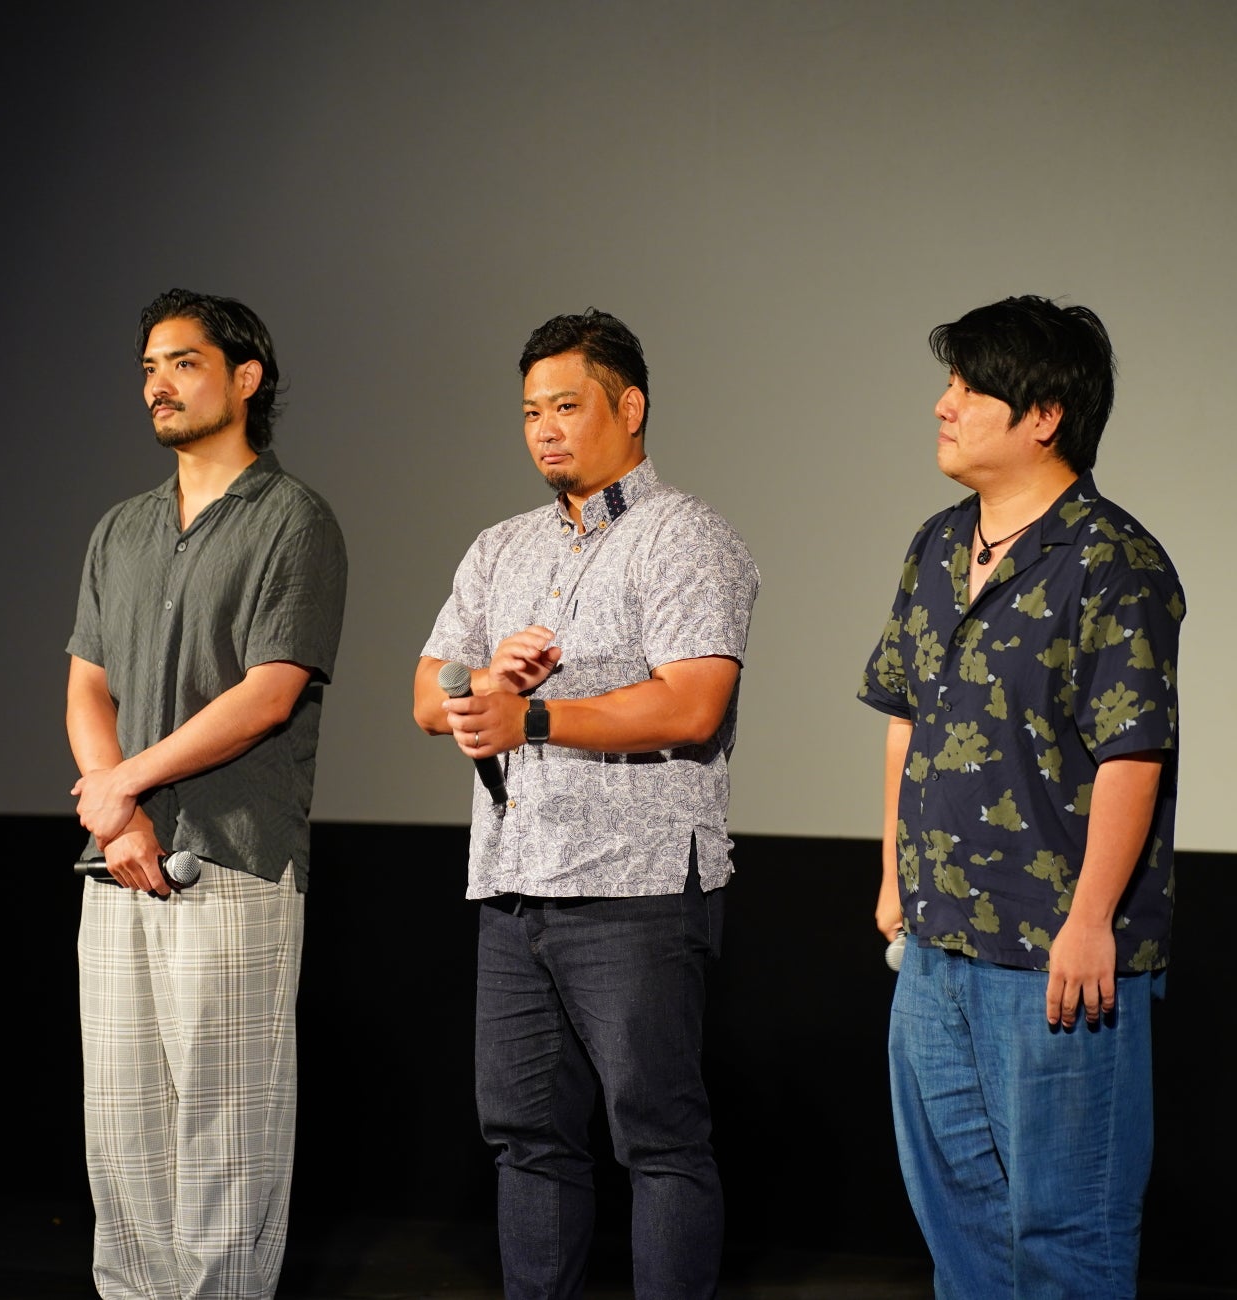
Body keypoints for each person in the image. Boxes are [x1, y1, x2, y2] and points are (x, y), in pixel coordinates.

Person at [414, 309, 759, 1299]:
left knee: (658, 1139)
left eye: (566, 406)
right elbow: (429, 695)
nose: (545, 429)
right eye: (531, 412)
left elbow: (692, 704)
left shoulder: (684, 536)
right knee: (525, 1138)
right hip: (515, 885)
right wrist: (486, 677)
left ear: (630, 406)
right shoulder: (500, 548)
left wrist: (530, 716)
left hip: (635, 889)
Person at [857, 295, 1183, 1298]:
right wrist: (893, 876)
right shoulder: (935, 545)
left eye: (969, 387)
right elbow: (905, 716)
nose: (944, 405)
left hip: (1053, 958)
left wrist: (1091, 921)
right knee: (958, 1225)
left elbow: (1132, 751)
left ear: (1043, 414)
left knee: (1064, 1237)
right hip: (935, 947)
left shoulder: (1113, 561)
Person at [65, 288, 347, 1300]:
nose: (158, 384)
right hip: (119, 864)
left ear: (245, 377)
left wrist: (122, 786)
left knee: (226, 1140)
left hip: (233, 857)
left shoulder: (294, 521)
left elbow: (268, 695)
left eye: (183, 363)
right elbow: (87, 684)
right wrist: (117, 815)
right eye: (149, 367)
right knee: (123, 1135)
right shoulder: (121, 530)